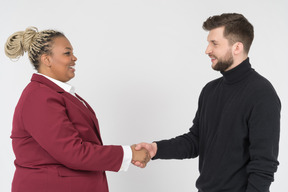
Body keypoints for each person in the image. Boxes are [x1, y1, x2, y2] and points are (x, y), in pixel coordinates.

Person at [133, 13, 281, 192]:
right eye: (208, 43)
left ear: (237, 47)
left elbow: (264, 165)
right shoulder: (210, 90)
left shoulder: (262, 94)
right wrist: (156, 149)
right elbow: (196, 140)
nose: (207, 50)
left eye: (215, 43)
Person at [5, 27, 150, 192]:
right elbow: (73, 152)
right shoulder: (39, 97)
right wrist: (128, 154)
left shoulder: (54, 94)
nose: (74, 58)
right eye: (67, 53)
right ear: (47, 60)